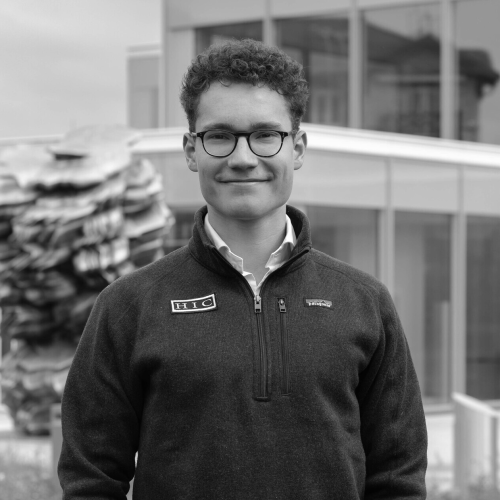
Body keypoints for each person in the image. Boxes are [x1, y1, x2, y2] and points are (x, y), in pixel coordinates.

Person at [58, 39, 427, 499]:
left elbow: (398, 478)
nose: (243, 158)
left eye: (265, 135)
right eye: (219, 136)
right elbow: (90, 480)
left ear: (297, 148)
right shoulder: (127, 306)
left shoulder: (364, 302)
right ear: (191, 150)